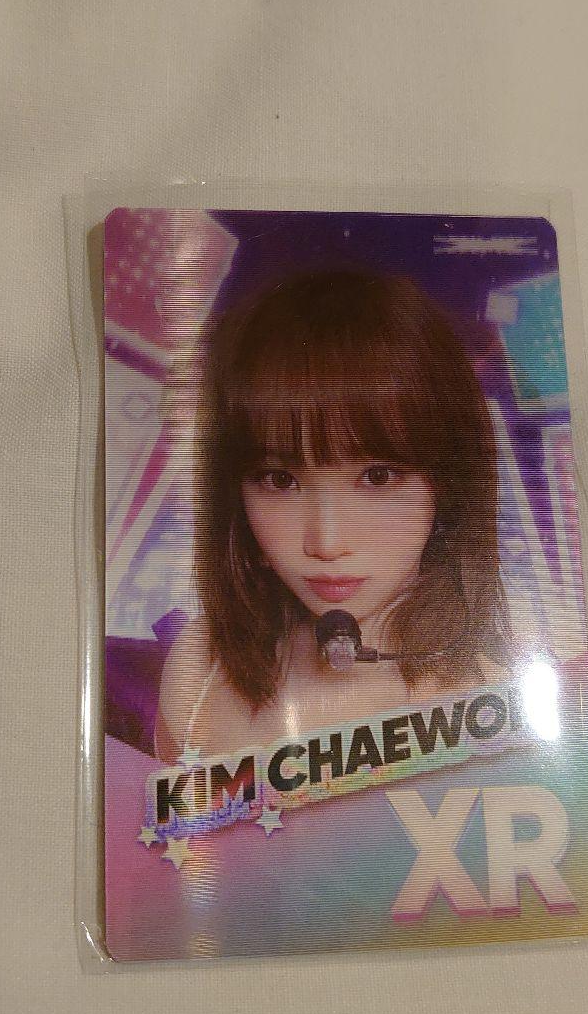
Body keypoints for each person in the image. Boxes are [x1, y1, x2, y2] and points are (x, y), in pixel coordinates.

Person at [154, 269, 512, 761]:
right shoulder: (201, 667)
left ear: (448, 484)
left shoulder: (498, 692)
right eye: (280, 480)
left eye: (378, 477)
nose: (327, 543)